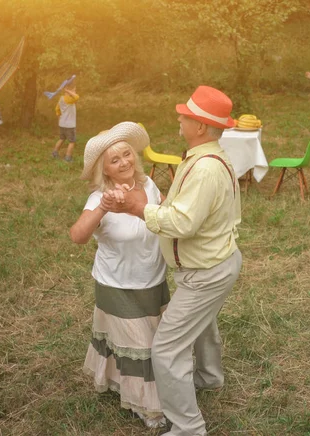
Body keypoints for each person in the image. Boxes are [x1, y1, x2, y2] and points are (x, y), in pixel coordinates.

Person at [101, 86, 243, 436]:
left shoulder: (206, 169)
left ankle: (188, 428)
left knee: (166, 349)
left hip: (207, 273)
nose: (178, 119)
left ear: (199, 127)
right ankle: (209, 378)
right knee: (203, 325)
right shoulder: (204, 157)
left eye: (184, 116)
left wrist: (138, 207)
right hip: (215, 264)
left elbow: (182, 222)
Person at [69, 121, 169, 429]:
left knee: (152, 340)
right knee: (142, 347)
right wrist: (103, 208)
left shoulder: (149, 185)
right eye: (115, 160)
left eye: (127, 154)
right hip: (118, 285)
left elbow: (165, 219)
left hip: (153, 280)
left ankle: (116, 381)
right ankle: (150, 409)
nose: (124, 161)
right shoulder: (99, 199)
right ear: (106, 170)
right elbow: (78, 236)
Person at [52, 83, 79, 161]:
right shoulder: (71, 99)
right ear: (69, 91)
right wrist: (68, 90)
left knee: (62, 138)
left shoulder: (61, 99)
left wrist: (60, 117)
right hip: (69, 125)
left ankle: (54, 153)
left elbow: (57, 110)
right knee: (72, 141)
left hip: (62, 124)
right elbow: (77, 97)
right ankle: (68, 157)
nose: (75, 92)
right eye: (74, 90)